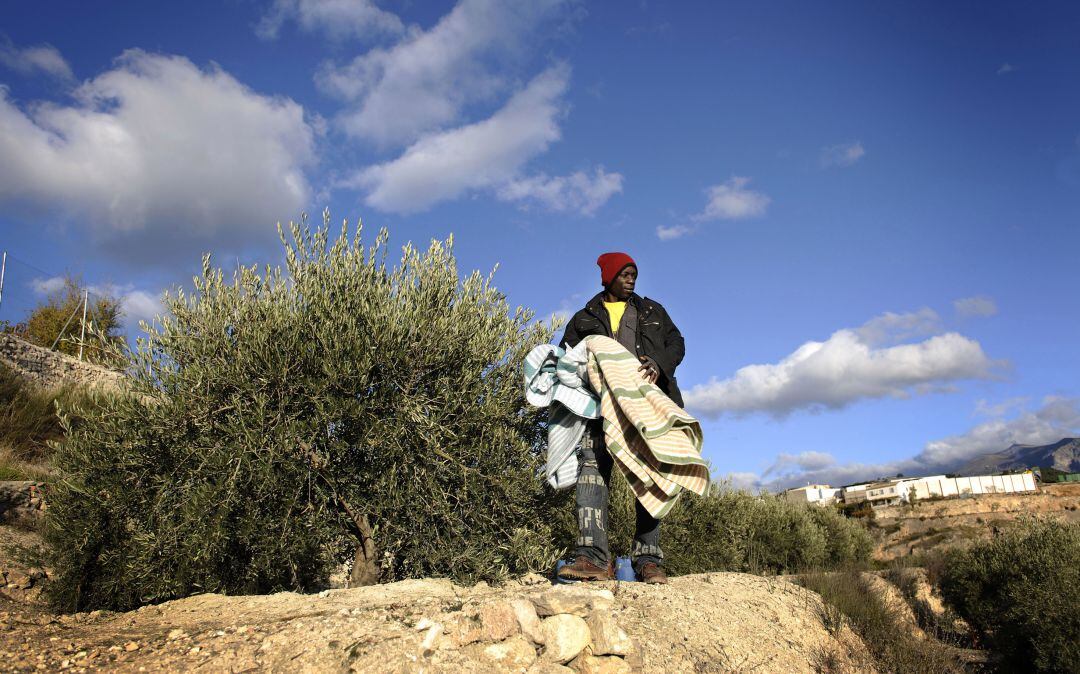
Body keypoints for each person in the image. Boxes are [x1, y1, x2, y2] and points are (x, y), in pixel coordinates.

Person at [556, 252, 685, 584]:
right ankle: (593, 559)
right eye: (624, 274)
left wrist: (659, 363)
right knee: (591, 473)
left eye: (634, 275)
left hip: (646, 406)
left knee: (651, 476)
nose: (631, 280)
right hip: (597, 409)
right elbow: (565, 358)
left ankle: (648, 561)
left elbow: (677, 344)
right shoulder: (584, 318)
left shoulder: (652, 311)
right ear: (608, 277)